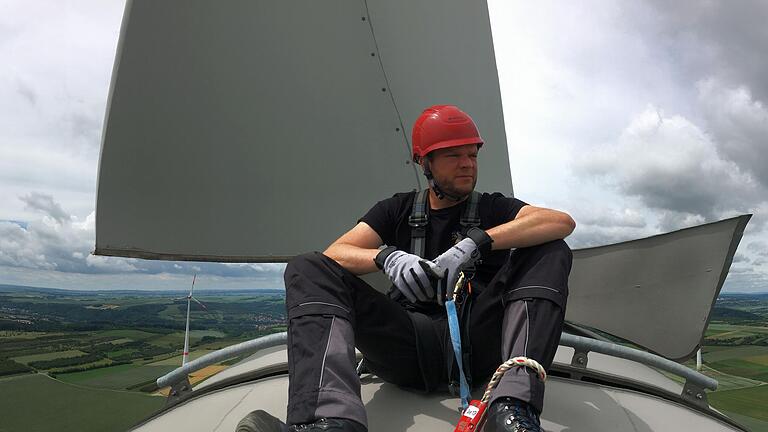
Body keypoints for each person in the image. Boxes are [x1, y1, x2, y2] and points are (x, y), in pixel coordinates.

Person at [280, 105, 574, 432]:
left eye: (472, 155)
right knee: (306, 266)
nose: (467, 163)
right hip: (405, 342)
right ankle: (330, 422)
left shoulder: (493, 207)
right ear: (425, 163)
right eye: (453, 155)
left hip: (479, 341)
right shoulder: (397, 209)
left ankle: (512, 409)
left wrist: (479, 241)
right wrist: (385, 257)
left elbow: (560, 221)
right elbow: (335, 254)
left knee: (550, 247)